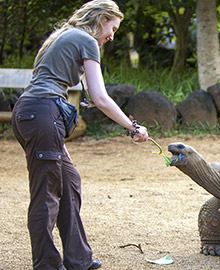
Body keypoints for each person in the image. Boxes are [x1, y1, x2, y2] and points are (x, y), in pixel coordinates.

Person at [10, 1, 148, 269]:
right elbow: (100, 97)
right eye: (113, 28)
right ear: (102, 18)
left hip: (38, 115)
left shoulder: (62, 36)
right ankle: (47, 265)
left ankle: (78, 259)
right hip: (42, 114)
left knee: (69, 182)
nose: (112, 36)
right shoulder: (86, 39)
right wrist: (133, 127)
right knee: (46, 194)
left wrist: (57, 137)